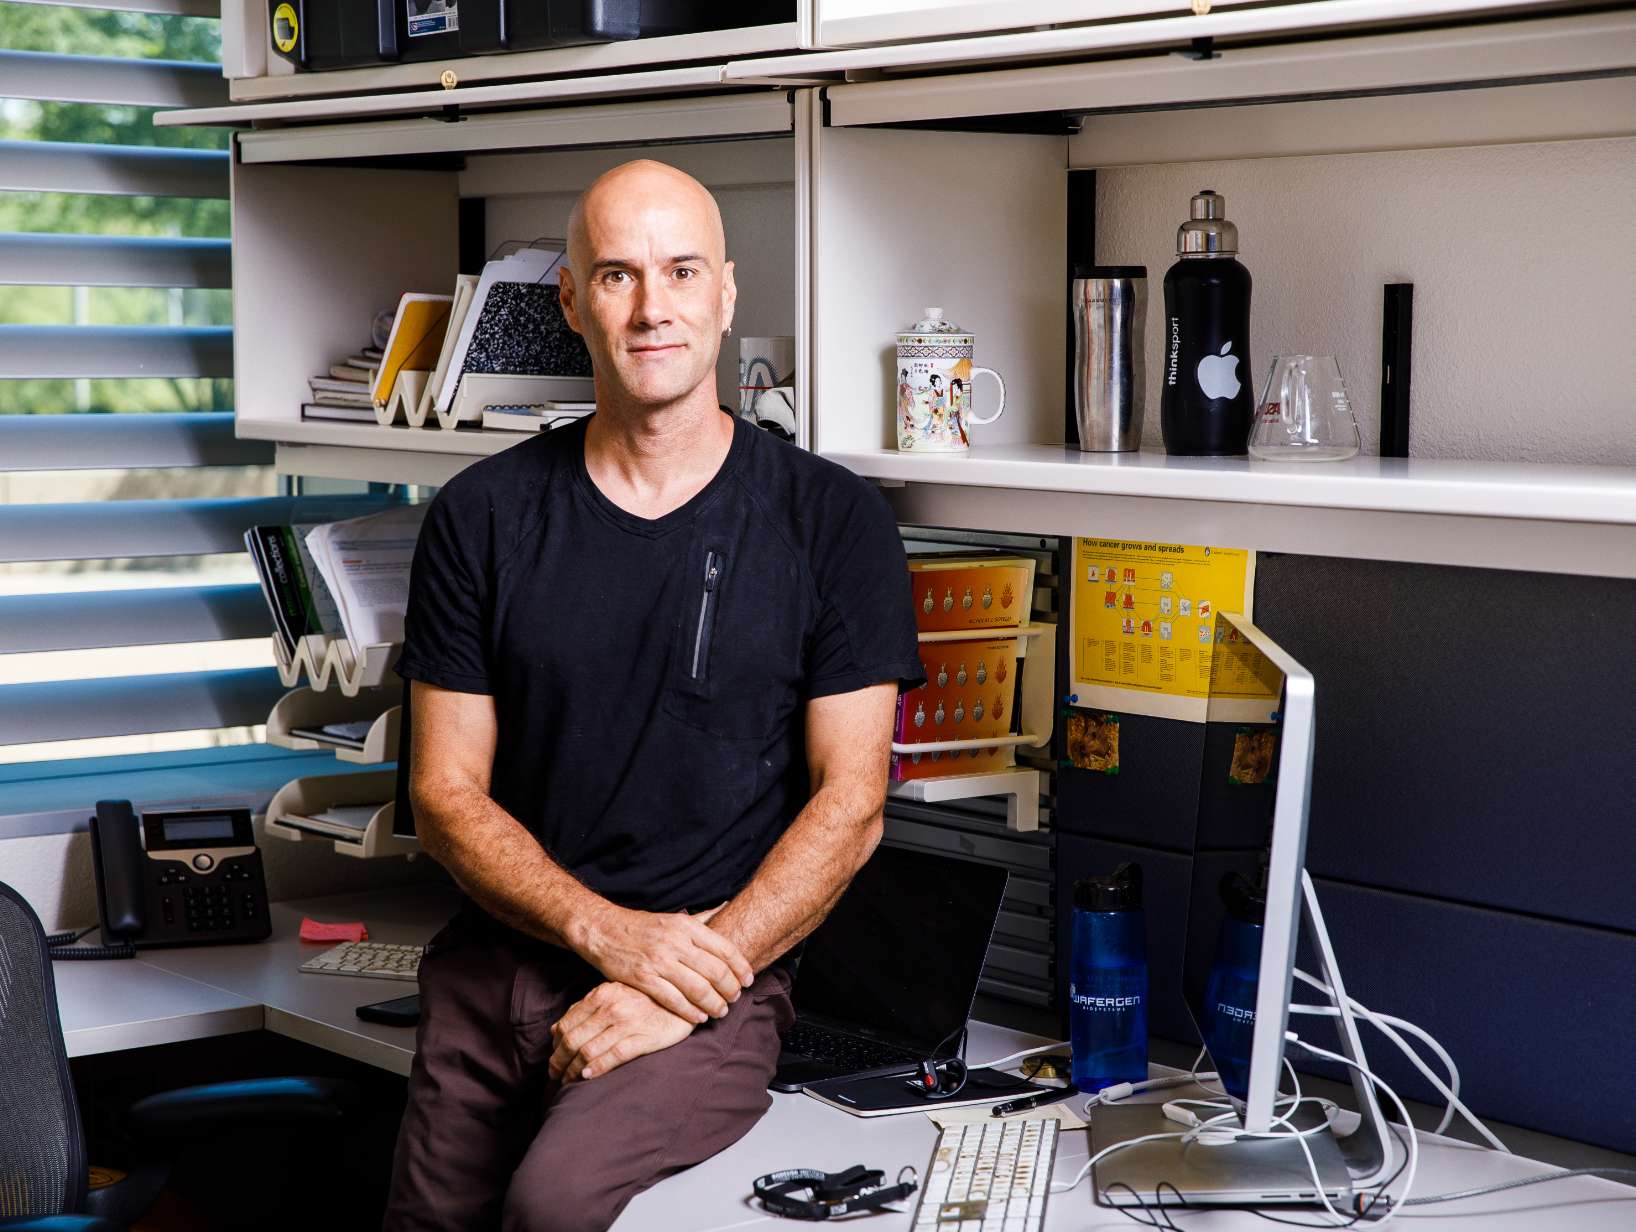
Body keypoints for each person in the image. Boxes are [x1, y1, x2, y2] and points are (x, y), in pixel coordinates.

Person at [382, 159, 923, 1232]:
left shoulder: (830, 520)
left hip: (713, 981)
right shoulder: (480, 517)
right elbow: (445, 792)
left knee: (554, 1204)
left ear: (726, 292)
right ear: (574, 302)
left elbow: (850, 802)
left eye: (680, 271)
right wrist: (614, 938)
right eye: (619, 275)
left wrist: (676, 980)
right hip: (498, 974)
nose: (652, 306)